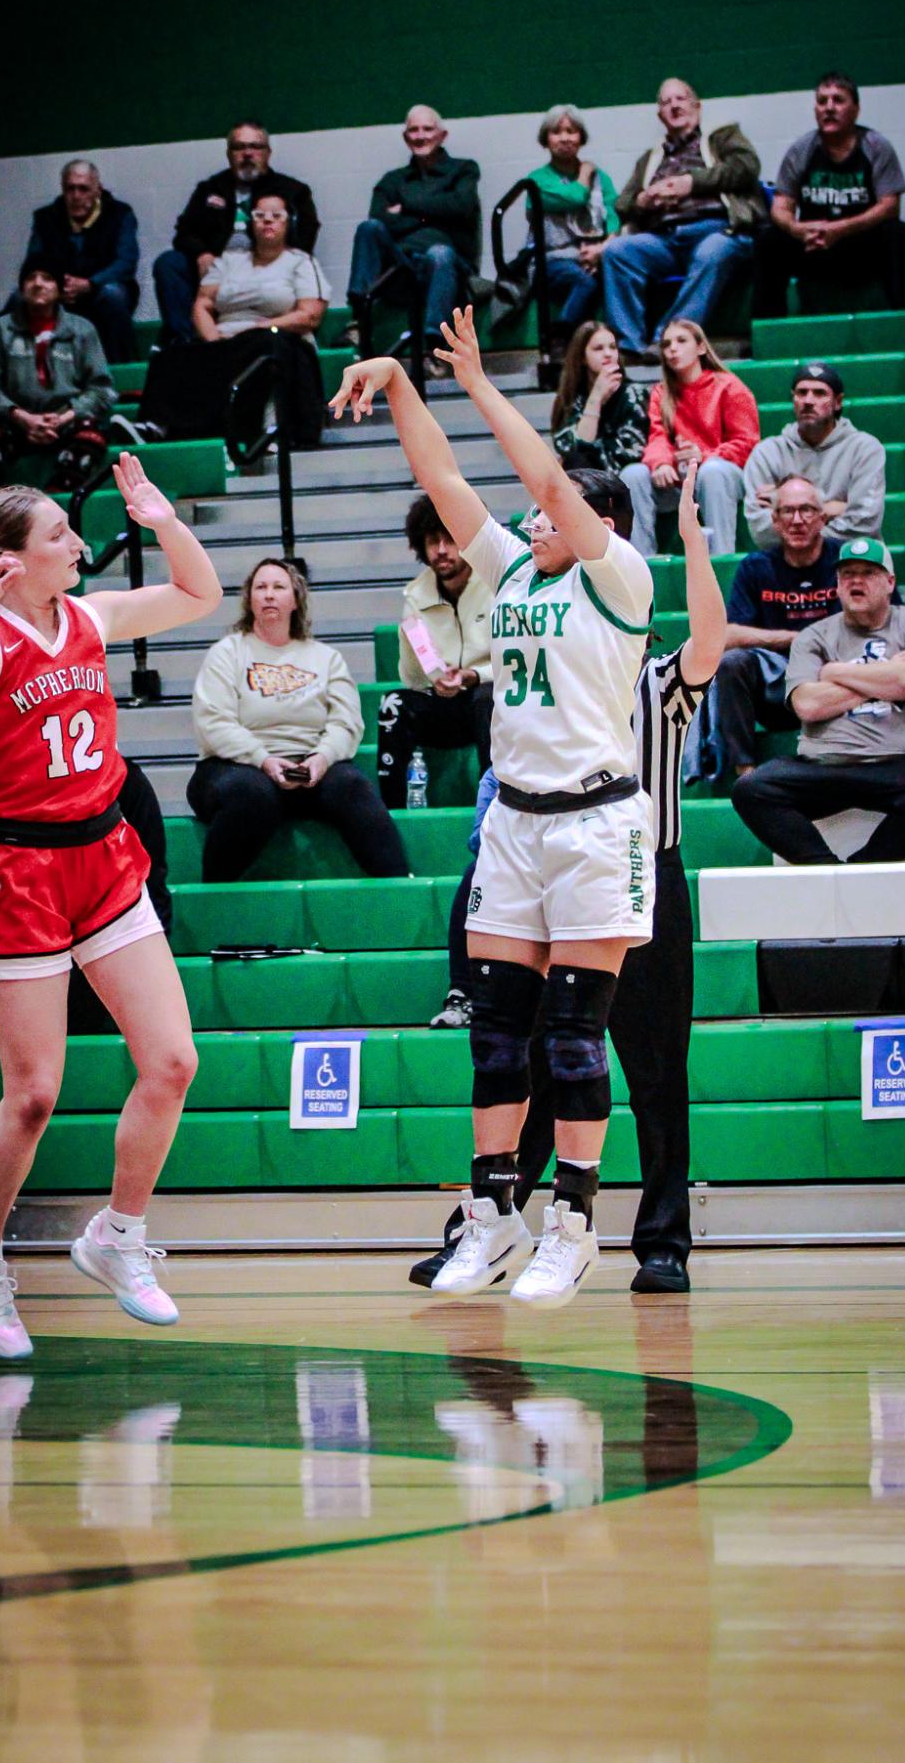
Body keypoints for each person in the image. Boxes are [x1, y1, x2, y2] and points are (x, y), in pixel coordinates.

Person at [332, 307, 657, 1306]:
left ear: (591, 519)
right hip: (513, 822)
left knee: (571, 1034)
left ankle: (573, 1224)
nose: (526, 519)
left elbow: (547, 480)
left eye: (547, 512)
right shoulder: (514, 569)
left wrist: (478, 384)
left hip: (596, 824)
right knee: (494, 1031)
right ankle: (490, 1214)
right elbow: (443, 482)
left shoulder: (616, 578)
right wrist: (397, 385)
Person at [0, 457, 223, 1360]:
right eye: (59, 536)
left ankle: (115, 1236)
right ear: (10, 559)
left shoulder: (87, 614)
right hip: (23, 873)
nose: (78, 545)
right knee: (33, 1093)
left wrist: (159, 515)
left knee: (172, 1061)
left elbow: (200, 590)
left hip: (107, 856)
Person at [418, 460, 725, 1293]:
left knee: (651, 1067)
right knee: (541, 1050)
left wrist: (693, 544)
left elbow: (707, 641)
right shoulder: (545, 632)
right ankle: (491, 1219)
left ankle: (660, 1241)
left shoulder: (658, 679)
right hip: (549, 851)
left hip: (637, 865)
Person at [731, 537, 905, 864]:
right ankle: (825, 869)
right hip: (825, 766)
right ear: (837, 585)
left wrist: (833, 672)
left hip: (902, 762)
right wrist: (889, 675)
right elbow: (807, 705)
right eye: (847, 574)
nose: (856, 581)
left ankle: (866, 868)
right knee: (751, 789)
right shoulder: (814, 636)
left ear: (890, 582)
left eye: (868, 573)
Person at [187, 558, 409, 880]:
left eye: (279, 587)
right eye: (260, 587)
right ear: (250, 599)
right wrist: (263, 760)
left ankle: (399, 887)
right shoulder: (227, 653)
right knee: (252, 797)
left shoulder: (326, 658)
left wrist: (322, 758)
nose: (269, 595)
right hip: (237, 766)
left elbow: (346, 722)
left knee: (353, 786)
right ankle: (214, 897)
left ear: (295, 599)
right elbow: (213, 722)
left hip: (310, 767)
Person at [0, 758, 172, 1033]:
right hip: (38, 923)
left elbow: (153, 876)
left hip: (108, 922)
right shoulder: (8, 780)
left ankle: (54, 1046)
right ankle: (38, 1051)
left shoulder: (127, 779)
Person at [138, 193, 330, 452]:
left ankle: (267, 431)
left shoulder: (301, 261)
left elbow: (310, 314)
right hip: (226, 340)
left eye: (276, 216)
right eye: (260, 216)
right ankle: (154, 426)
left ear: (288, 223)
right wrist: (214, 342)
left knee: (267, 343)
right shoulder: (230, 261)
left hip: (276, 335)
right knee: (170, 354)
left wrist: (266, 326)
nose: (267, 222)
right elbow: (202, 305)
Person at [598, 78, 765, 352]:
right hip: (665, 240)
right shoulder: (651, 158)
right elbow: (624, 203)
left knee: (712, 251)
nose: (674, 106)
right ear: (659, 115)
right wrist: (644, 199)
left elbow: (747, 167)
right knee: (618, 251)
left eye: (681, 99)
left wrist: (692, 183)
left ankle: (668, 340)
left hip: (718, 229)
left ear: (697, 107)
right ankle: (628, 347)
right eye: (666, 102)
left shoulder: (723, 137)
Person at [709, 475, 843, 783]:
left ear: (822, 519)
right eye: (788, 511)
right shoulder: (755, 567)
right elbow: (729, 635)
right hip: (776, 689)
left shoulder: (843, 561)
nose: (797, 520)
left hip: (832, 679)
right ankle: (745, 773)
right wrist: (799, 638)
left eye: (807, 510)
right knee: (731, 663)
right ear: (775, 520)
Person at [753, 74, 905, 317]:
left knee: (900, 235)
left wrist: (841, 229)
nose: (829, 108)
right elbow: (780, 207)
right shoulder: (801, 150)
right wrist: (796, 229)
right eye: (822, 101)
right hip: (814, 245)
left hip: (861, 245)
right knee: (769, 240)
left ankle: (904, 323)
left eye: (838, 100)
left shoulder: (876, 146)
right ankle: (767, 333)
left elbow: (890, 206)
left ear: (856, 109)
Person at [153, 121, 320, 343]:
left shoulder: (292, 191)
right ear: (229, 153)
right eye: (239, 147)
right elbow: (184, 232)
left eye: (255, 147)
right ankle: (183, 342)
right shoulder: (210, 188)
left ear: (267, 152)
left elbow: (305, 238)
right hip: (215, 271)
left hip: (267, 268)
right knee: (169, 263)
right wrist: (202, 253)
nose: (247, 153)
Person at [377, 494, 493, 808]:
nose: (441, 550)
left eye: (450, 540)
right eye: (432, 541)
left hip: (488, 700)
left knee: (488, 697)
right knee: (393, 704)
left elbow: (517, 660)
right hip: (443, 703)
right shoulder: (416, 594)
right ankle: (393, 811)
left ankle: (495, 805)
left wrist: (474, 675)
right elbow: (412, 680)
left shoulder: (495, 585)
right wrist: (417, 652)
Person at [0, 261, 117, 492]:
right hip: (15, 423)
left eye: (46, 277)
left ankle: (58, 496)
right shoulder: (0, 330)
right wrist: (23, 418)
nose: (38, 284)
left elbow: (101, 389)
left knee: (93, 431)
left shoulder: (82, 329)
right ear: (21, 288)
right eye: (30, 278)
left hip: (63, 422)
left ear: (59, 288)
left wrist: (63, 417)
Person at [344, 106, 480, 360]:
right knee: (368, 229)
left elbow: (460, 207)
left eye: (428, 129)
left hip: (448, 267)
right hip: (401, 266)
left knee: (439, 253)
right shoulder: (393, 180)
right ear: (405, 137)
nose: (420, 136)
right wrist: (434, 212)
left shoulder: (464, 170)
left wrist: (406, 207)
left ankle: (433, 344)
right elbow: (380, 218)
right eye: (413, 130)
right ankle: (358, 319)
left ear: (442, 135)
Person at [622, 319, 758, 557]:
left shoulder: (730, 386)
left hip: (723, 475)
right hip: (679, 478)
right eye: (666, 344)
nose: (672, 348)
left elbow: (747, 443)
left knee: (712, 472)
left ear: (701, 348)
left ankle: (720, 559)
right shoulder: (661, 392)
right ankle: (643, 564)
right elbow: (657, 436)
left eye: (681, 341)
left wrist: (703, 456)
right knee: (633, 474)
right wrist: (661, 462)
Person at [742, 360, 887, 549]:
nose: (808, 401)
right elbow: (760, 530)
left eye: (819, 393)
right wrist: (831, 508)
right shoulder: (767, 453)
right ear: (793, 399)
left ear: (838, 402)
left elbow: (864, 522)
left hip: (850, 558)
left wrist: (786, 507)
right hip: (786, 563)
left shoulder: (865, 448)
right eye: (802, 393)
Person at [505, 104, 620, 337]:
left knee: (620, 271)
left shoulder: (602, 178)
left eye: (572, 131)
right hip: (550, 261)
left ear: (581, 137)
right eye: (557, 132)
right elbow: (575, 197)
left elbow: (614, 217)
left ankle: (620, 348)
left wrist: (602, 248)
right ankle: (561, 339)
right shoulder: (536, 180)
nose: (565, 138)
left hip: (594, 254)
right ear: (546, 139)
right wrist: (585, 173)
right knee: (584, 282)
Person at [21, 160, 139, 363]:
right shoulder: (45, 218)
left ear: (97, 190)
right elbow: (33, 263)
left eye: (83, 189)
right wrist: (56, 286)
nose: (76, 196)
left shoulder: (120, 214)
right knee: (20, 298)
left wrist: (90, 284)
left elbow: (126, 262)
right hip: (59, 291)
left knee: (113, 294)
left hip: (101, 288)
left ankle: (121, 370)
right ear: (62, 189)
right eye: (70, 189)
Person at [550, 322, 651, 475]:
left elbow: (632, 452)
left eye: (613, 347)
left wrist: (592, 449)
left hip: (624, 480)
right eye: (598, 348)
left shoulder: (633, 394)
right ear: (582, 357)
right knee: (577, 461)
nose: (608, 353)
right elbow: (571, 450)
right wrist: (595, 399)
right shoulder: (571, 398)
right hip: (586, 482)